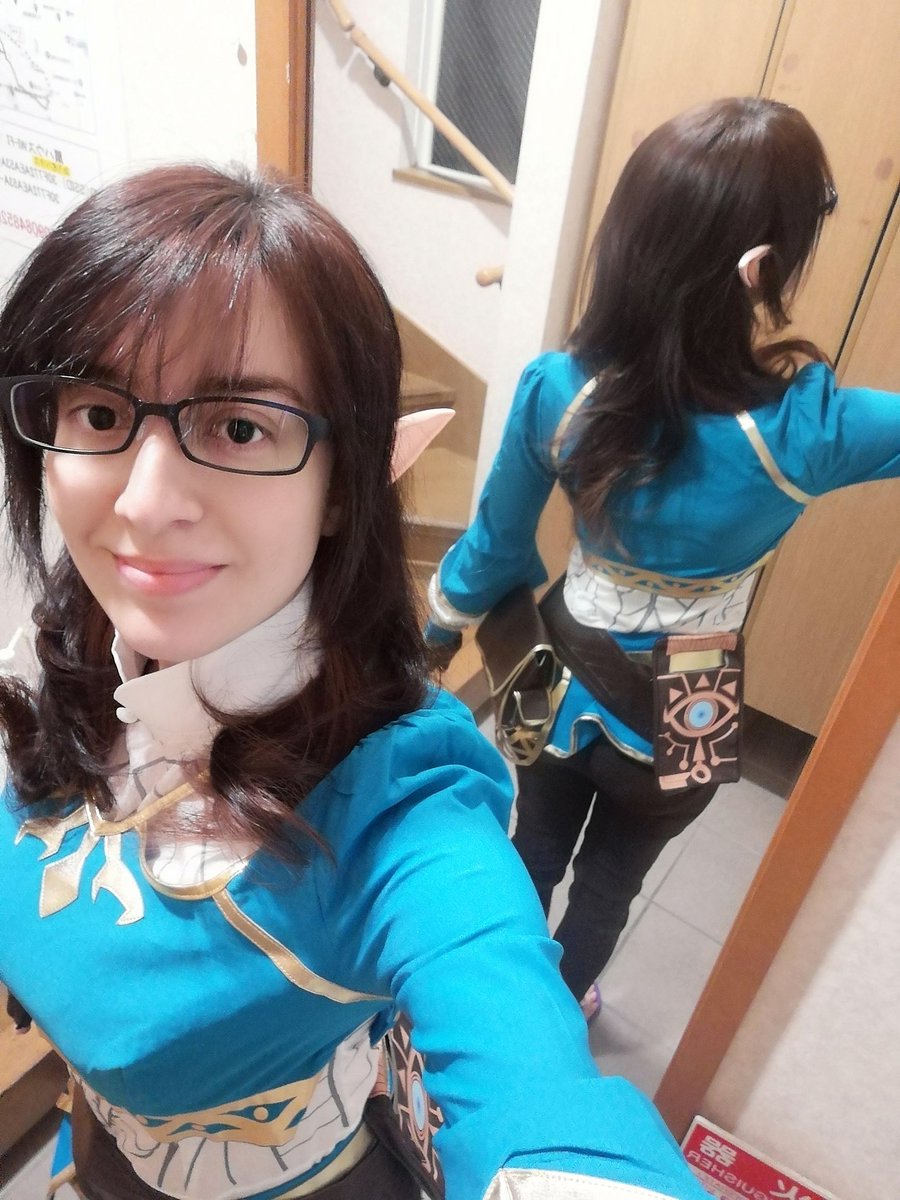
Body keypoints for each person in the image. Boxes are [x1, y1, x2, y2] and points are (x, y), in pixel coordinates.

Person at [0, 165, 710, 1200]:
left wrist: (448, 615)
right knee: (608, 876)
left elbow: (480, 959)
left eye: (240, 426)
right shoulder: (74, 636)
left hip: (600, 672)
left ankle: (570, 994)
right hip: (697, 673)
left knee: (560, 893)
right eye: (99, 412)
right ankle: (584, 978)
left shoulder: (566, 394)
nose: (145, 505)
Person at [424, 96, 900, 1021]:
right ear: (761, 268)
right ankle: (563, 1011)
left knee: (531, 850)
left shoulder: (559, 391)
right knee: (613, 883)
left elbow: (494, 546)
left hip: (557, 674)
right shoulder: (809, 431)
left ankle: (497, 1009)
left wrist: (436, 637)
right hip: (695, 701)